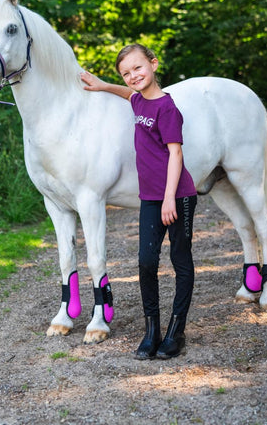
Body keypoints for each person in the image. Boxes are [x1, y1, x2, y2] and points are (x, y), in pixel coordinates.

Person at [80, 44, 197, 360]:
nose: (133, 76)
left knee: (180, 260)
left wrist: (170, 197)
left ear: (154, 64)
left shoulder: (167, 108)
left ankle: (176, 331)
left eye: (138, 68)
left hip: (178, 196)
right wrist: (104, 85)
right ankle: (152, 331)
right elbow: (127, 94)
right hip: (150, 198)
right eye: (126, 73)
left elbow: (176, 153)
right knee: (146, 262)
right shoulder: (138, 101)